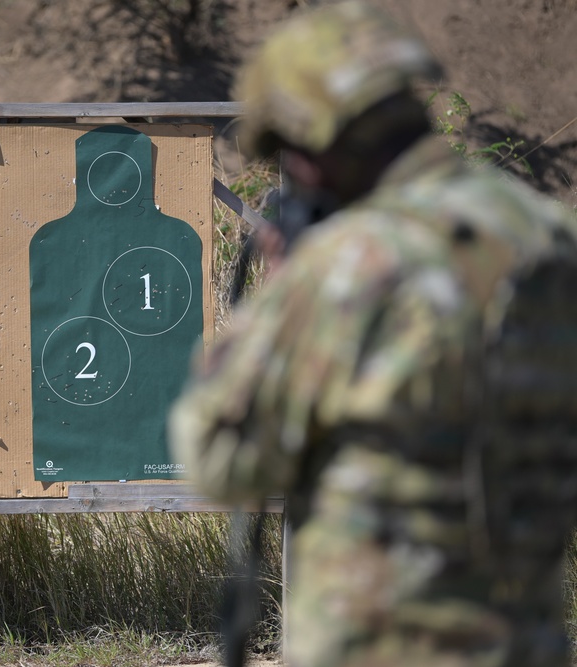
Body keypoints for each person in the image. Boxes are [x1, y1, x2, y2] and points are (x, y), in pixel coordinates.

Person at [168, 2, 577, 666]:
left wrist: (275, 298)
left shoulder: (346, 269)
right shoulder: (551, 238)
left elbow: (220, 454)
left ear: (317, 145)